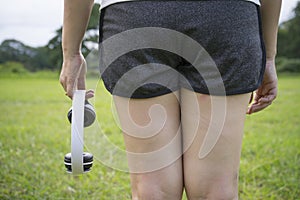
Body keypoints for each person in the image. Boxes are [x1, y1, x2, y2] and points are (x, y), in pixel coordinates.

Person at [60, 0, 281, 199]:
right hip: (225, 16)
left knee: (152, 189)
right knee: (216, 189)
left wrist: (71, 53)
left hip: (136, 16)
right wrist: (269, 56)